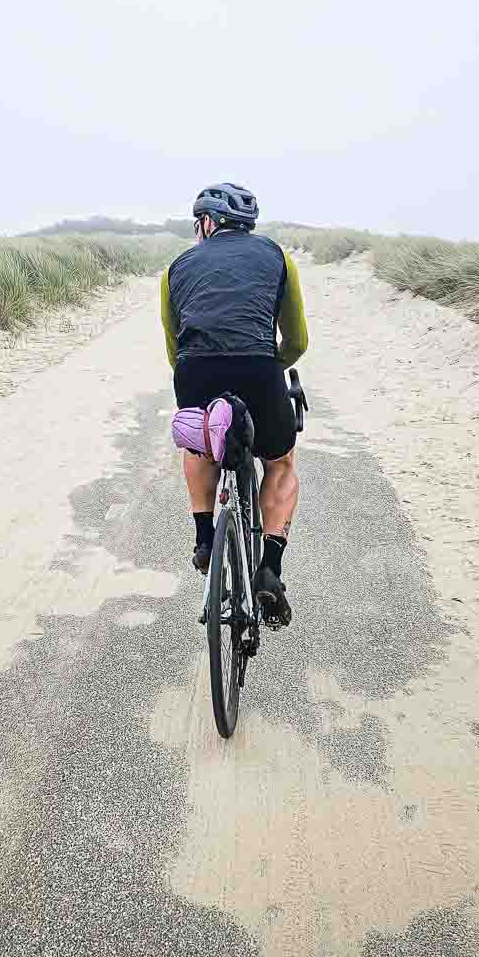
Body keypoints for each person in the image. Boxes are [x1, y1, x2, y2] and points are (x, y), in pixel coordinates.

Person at [160, 182, 309, 626]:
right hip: (259, 367)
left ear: (206, 223)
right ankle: (270, 568)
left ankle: (205, 537)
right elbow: (297, 340)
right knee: (279, 462)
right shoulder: (279, 258)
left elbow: (175, 348)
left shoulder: (175, 269)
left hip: (196, 371)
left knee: (200, 444)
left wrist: (197, 371)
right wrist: (270, 366)